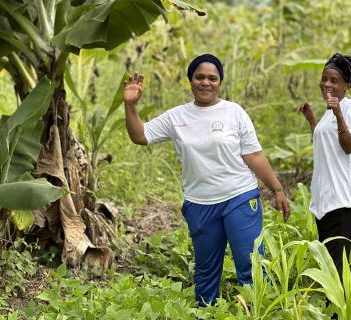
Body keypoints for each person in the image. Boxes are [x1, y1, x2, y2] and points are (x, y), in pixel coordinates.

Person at [123, 53, 290, 306]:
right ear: (190, 80)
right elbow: (140, 136)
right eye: (199, 77)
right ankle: (207, 311)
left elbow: (254, 155)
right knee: (206, 270)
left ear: (220, 82)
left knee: (250, 262)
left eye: (212, 78)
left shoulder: (234, 112)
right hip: (200, 203)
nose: (205, 83)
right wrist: (131, 106)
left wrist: (277, 189)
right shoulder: (176, 117)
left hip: (239, 196)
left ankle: (256, 310)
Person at [298, 53, 351, 276]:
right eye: (324, 78)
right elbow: (325, 145)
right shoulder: (330, 112)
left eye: (334, 80)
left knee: (336, 267)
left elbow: (349, 146)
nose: (326, 84)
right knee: (330, 265)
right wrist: (311, 120)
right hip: (326, 200)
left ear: (346, 85)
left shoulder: (348, 107)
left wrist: (338, 114)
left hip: (343, 201)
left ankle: (340, 311)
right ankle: (335, 310)